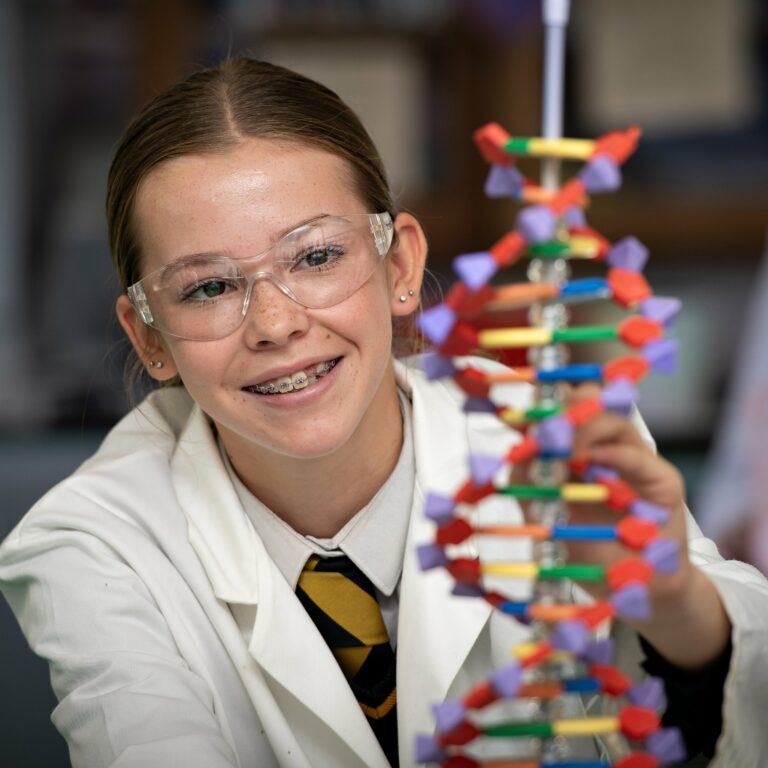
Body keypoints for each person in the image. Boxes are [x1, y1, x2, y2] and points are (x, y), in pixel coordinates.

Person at [0, 57, 766, 768]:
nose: (274, 323)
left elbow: (737, 717)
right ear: (149, 336)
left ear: (399, 265)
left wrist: (675, 607)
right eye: (208, 287)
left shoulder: (552, 439)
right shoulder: (93, 541)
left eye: (316, 256)